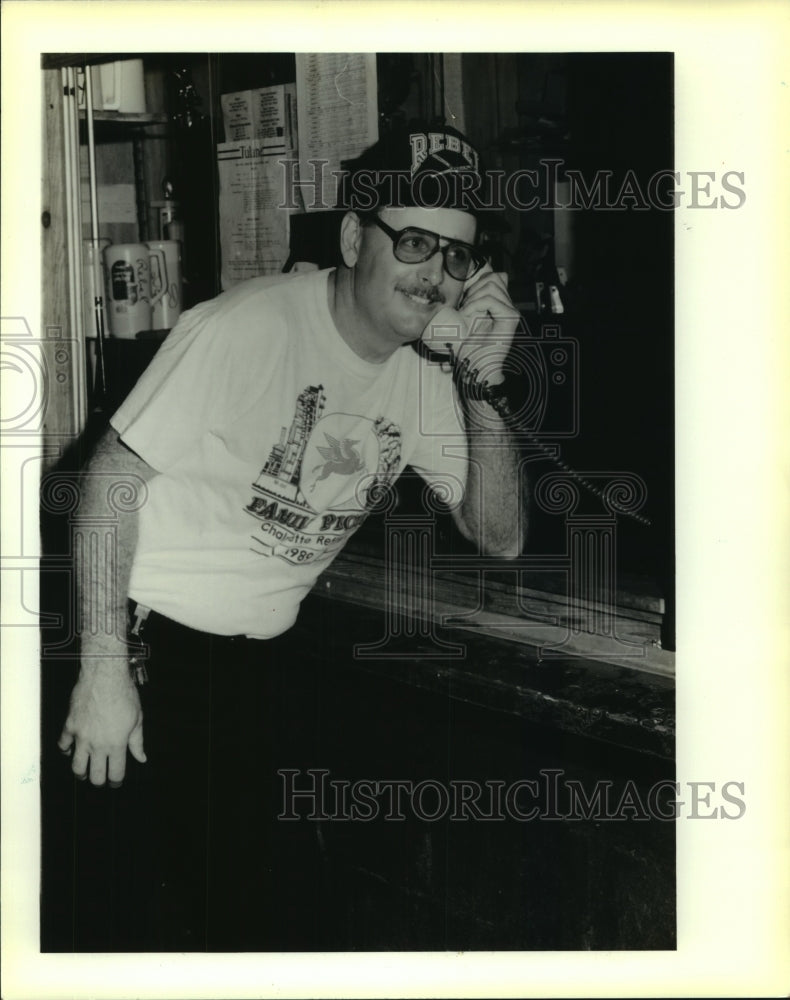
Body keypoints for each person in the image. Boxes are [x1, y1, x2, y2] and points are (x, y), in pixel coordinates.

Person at [53, 122, 526, 949]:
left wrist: (485, 387)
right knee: (124, 930)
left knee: (247, 925)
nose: (435, 276)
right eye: (414, 241)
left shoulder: (423, 373)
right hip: (135, 644)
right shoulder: (247, 327)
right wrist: (101, 670)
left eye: (457, 256)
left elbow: (503, 536)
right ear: (353, 237)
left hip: (248, 668)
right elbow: (108, 482)